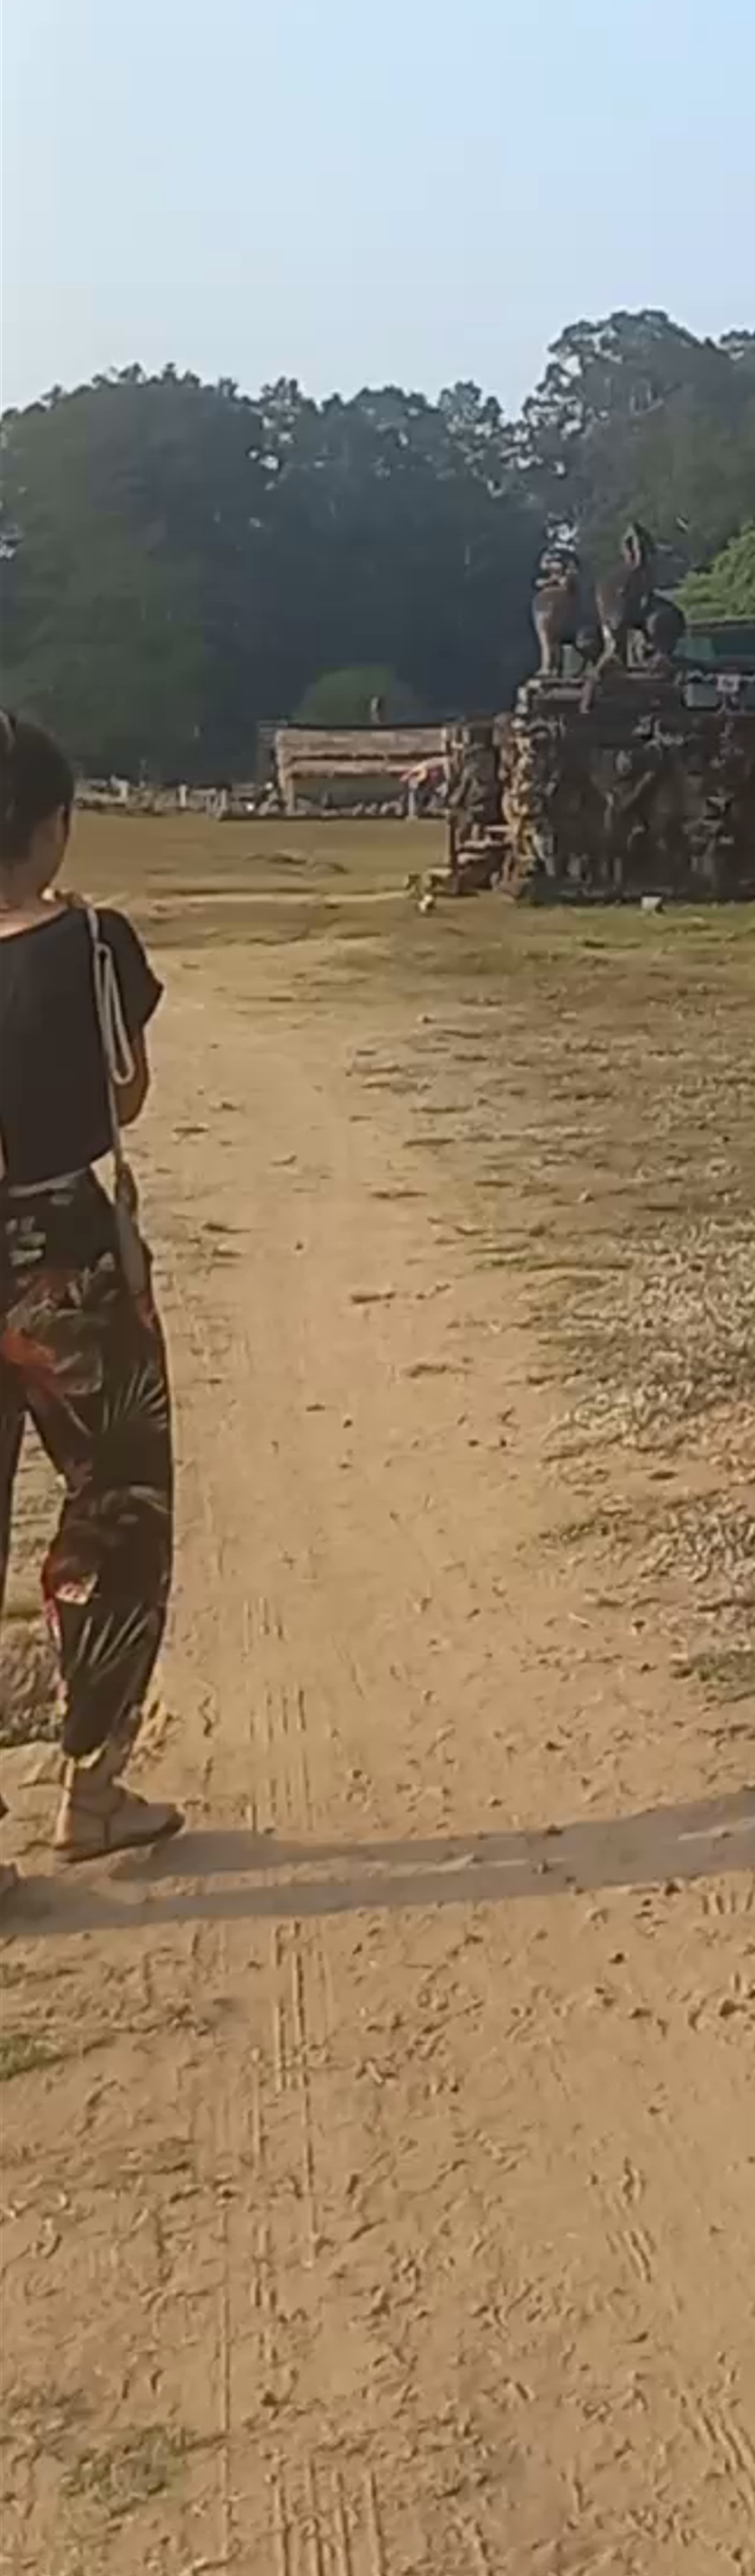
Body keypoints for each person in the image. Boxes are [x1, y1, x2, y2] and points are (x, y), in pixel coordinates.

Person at [0, 712, 181, 1889]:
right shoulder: (94, 944)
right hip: (65, 1256)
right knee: (115, 1506)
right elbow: (129, 1094)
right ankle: (91, 1790)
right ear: (55, 825)